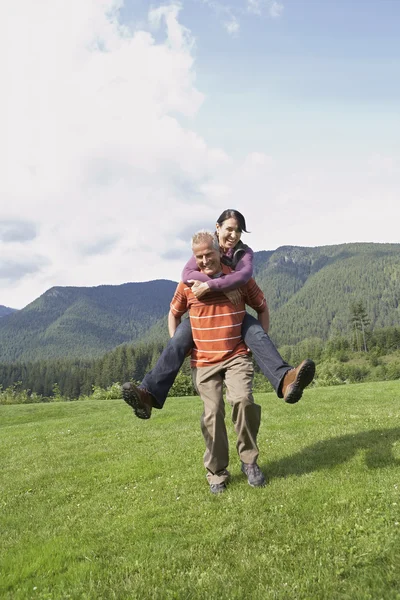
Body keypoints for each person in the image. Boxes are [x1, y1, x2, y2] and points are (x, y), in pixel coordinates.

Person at [122, 209, 315, 420]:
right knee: (178, 340)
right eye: (229, 229)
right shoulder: (206, 247)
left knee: (257, 334)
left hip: (234, 315)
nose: (233, 235)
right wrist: (220, 284)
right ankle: (148, 395)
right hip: (201, 317)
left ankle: (286, 380)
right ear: (217, 228)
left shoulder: (243, 252)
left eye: (238, 231)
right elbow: (187, 275)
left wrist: (223, 282)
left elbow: (244, 275)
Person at [170, 230, 268, 493]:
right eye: (198, 256)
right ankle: (216, 473)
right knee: (212, 413)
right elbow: (174, 313)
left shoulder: (237, 279)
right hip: (203, 360)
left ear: (218, 251)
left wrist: (259, 341)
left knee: (244, 401)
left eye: (208, 254)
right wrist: (178, 344)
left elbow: (262, 306)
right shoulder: (187, 285)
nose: (204, 260)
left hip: (236, 355)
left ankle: (249, 462)